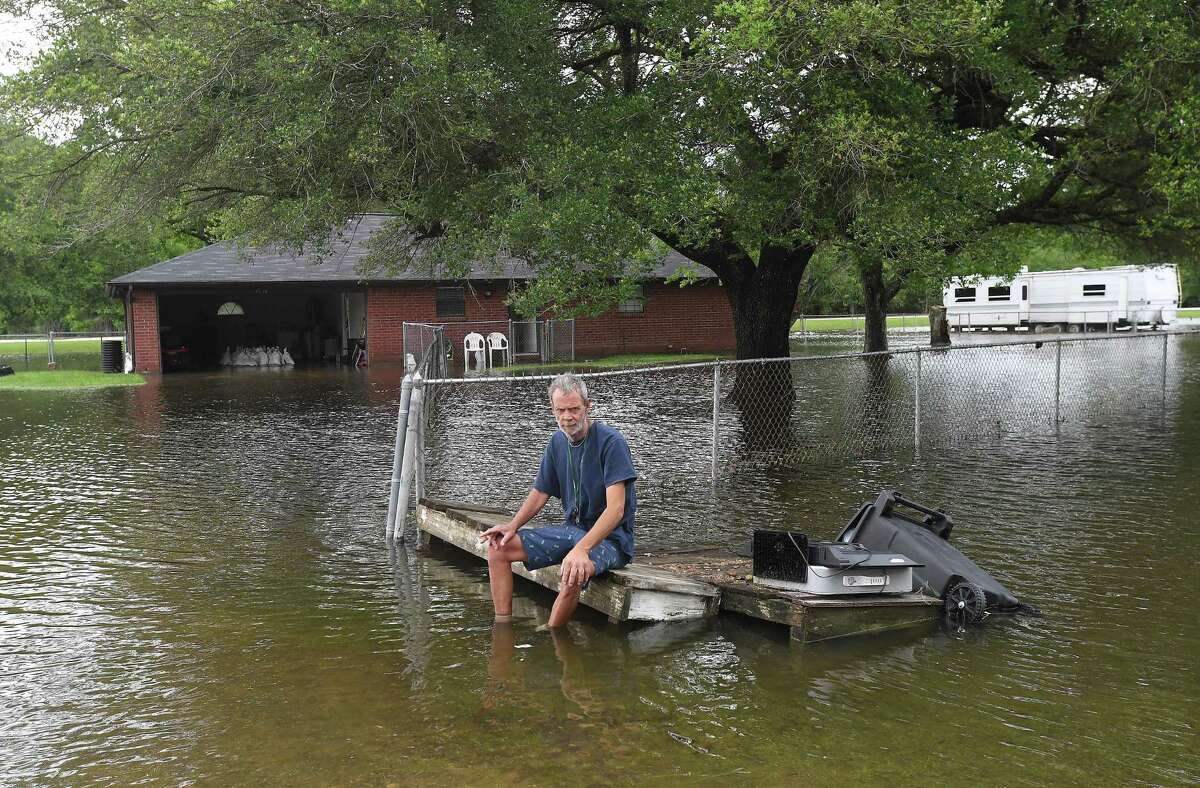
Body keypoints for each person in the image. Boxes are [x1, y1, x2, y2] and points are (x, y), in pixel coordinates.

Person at [479, 373, 637, 628]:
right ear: (552, 410)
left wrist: (582, 549)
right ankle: (503, 627)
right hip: (571, 531)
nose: (567, 417)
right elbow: (541, 492)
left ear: (588, 406)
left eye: (574, 409)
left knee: (574, 568)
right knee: (498, 549)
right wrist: (512, 526)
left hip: (611, 541)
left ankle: (552, 634)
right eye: (560, 410)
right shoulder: (556, 442)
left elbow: (616, 509)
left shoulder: (611, 443)